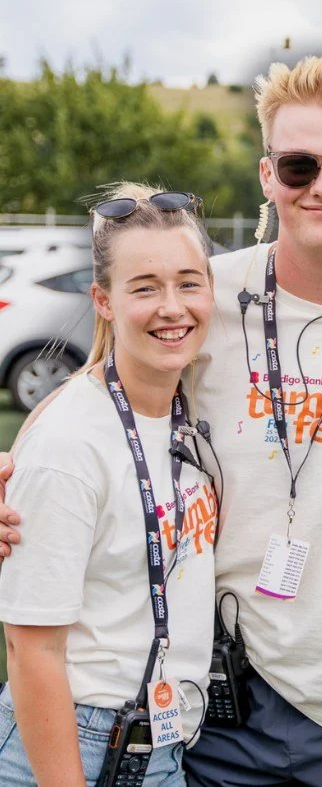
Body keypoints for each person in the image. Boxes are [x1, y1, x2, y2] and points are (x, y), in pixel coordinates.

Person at [0, 55, 322, 785]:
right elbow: (95, 389)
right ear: (268, 177)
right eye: (300, 167)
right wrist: (17, 469)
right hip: (214, 709)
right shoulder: (204, 293)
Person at [0, 184, 218, 785]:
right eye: (144, 287)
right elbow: (31, 651)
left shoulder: (188, 410)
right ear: (103, 299)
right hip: (76, 742)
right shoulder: (70, 442)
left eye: (188, 282)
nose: (172, 306)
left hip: (163, 746)